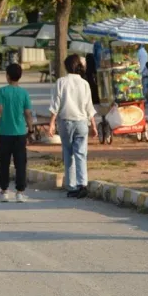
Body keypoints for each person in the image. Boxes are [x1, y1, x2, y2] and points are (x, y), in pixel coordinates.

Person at [48, 54, 98, 199]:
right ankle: (82, 184)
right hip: (82, 123)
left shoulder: (61, 82)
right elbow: (89, 107)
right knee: (81, 154)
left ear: (67, 66)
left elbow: (55, 105)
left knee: (68, 153)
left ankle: (71, 185)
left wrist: (51, 124)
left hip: (66, 122)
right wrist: (93, 126)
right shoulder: (84, 84)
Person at [0, 63, 33, 203]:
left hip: (4, 133)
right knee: (20, 163)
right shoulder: (24, 93)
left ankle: (4, 191)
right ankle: (20, 192)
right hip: (20, 133)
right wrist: (30, 129)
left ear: (7, 76)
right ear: (19, 76)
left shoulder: (2, 91)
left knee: (4, 163)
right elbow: (27, 113)